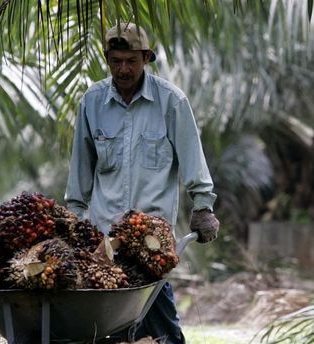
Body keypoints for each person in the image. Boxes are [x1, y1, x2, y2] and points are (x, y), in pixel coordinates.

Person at [65, 22, 220, 344]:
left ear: (146, 57)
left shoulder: (171, 102)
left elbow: (193, 159)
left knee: (159, 320)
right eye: (116, 61)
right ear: (107, 59)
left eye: (131, 61)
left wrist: (203, 207)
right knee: (107, 330)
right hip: (103, 239)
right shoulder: (92, 102)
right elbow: (80, 172)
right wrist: (74, 223)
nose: (123, 69)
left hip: (152, 239)